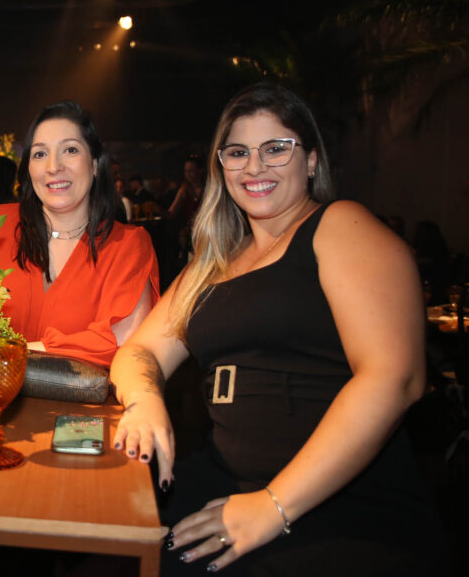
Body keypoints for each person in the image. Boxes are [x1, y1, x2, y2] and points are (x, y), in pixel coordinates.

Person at [110, 83, 448, 575]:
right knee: (108, 533)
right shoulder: (214, 262)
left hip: (337, 508)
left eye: (275, 149)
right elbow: (139, 352)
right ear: (220, 167)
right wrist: (144, 401)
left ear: (310, 160)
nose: (254, 167)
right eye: (238, 152)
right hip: (225, 482)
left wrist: (274, 506)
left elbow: (395, 377)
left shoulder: (339, 226)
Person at [0, 100, 159, 368]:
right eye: (40, 154)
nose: (53, 166)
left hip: (77, 396)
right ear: (28, 168)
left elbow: (121, 341)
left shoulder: (127, 245)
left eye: (70, 150)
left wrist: (8, 351)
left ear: (94, 163)